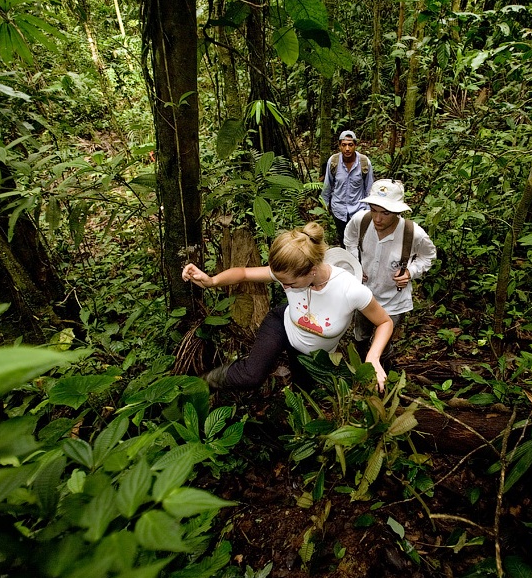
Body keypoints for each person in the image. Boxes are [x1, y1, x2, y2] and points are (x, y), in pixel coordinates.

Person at [182, 222, 393, 391]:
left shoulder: (350, 290)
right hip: (283, 325)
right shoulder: (292, 270)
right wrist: (211, 281)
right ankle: (201, 383)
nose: (284, 286)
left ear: (311, 271)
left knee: (306, 392)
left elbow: (384, 322)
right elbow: (244, 273)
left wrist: (373, 357)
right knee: (251, 376)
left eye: (290, 284)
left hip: (314, 355)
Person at [343, 179, 436, 359]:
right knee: (360, 336)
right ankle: (359, 368)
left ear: (397, 211)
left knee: (383, 344)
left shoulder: (413, 233)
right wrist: (355, 264)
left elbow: (429, 255)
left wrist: (410, 272)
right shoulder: (361, 220)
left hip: (393, 301)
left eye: (385, 213)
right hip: (364, 295)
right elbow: (350, 239)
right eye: (374, 210)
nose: (377, 219)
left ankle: (382, 373)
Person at [321, 130, 375, 245]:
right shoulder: (333, 161)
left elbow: (369, 188)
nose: (347, 149)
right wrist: (324, 206)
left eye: (350, 145)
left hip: (359, 210)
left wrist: (368, 210)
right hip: (339, 210)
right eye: (344, 145)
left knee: (358, 241)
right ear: (339, 146)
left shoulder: (365, 162)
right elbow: (327, 185)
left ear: (355, 145)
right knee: (343, 240)